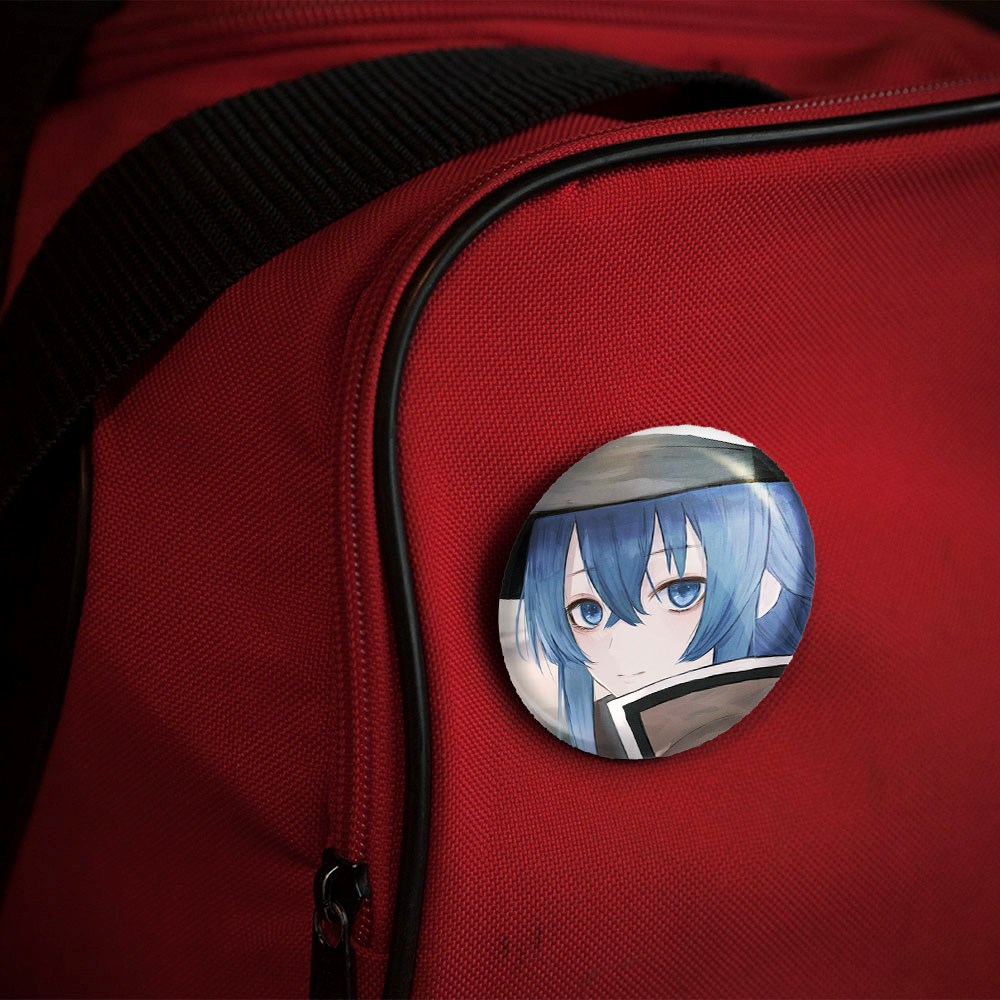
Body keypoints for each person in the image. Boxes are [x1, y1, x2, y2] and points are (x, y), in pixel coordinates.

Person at [507, 428, 815, 758]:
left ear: (766, 585)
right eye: (588, 612)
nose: (625, 649)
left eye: (681, 592)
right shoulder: (582, 727)